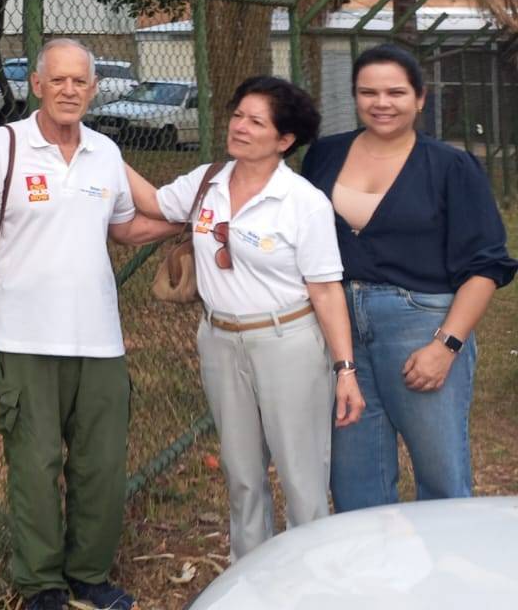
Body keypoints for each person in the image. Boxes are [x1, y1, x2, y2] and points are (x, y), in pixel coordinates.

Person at [0, 39, 181, 610]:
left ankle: (89, 574)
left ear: (94, 88)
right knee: (34, 468)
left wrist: (185, 227)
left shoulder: (105, 152)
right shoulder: (3, 148)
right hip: (23, 336)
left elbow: (126, 229)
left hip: (99, 339)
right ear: (37, 85)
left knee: (101, 467)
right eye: (58, 80)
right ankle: (40, 584)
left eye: (79, 81)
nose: (69, 90)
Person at [126, 76, 363, 561]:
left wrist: (344, 369)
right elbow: (153, 204)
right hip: (219, 340)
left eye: (256, 121)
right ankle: (249, 574)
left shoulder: (303, 202)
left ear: (284, 140)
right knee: (241, 472)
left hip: (287, 342)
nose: (241, 127)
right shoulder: (206, 180)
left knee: (301, 474)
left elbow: (324, 289)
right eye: (238, 115)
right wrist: (100, 151)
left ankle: (309, 579)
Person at [300, 43, 516, 510]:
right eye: (368, 92)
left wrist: (446, 346)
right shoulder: (324, 156)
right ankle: (373, 576)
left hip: (420, 325)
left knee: (440, 475)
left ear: (420, 98)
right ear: (354, 96)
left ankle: (445, 573)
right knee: (354, 475)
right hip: (339, 326)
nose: (382, 103)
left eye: (396, 92)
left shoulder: (450, 166)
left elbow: (486, 266)